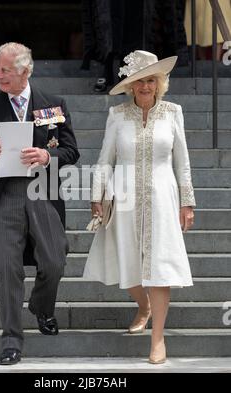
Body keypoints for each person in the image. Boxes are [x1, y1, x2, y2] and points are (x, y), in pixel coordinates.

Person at [0, 43, 79, 365]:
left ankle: (42, 307)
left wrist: (47, 155)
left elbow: (71, 150)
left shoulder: (53, 104)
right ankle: (11, 340)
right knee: (6, 266)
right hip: (7, 195)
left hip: (43, 190)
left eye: (5, 70)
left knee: (55, 259)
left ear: (25, 72)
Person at [83, 50, 196, 364]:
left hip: (163, 195)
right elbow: (105, 160)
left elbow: (182, 162)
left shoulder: (174, 112)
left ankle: (157, 339)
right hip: (124, 195)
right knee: (128, 264)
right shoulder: (117, 115)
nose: (145, 86)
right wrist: (97, 197)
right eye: (139, 81)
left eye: (150, 80)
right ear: (130, 86)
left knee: (159, 268)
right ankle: (143, 306)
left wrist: (188, 202)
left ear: (160, 82)